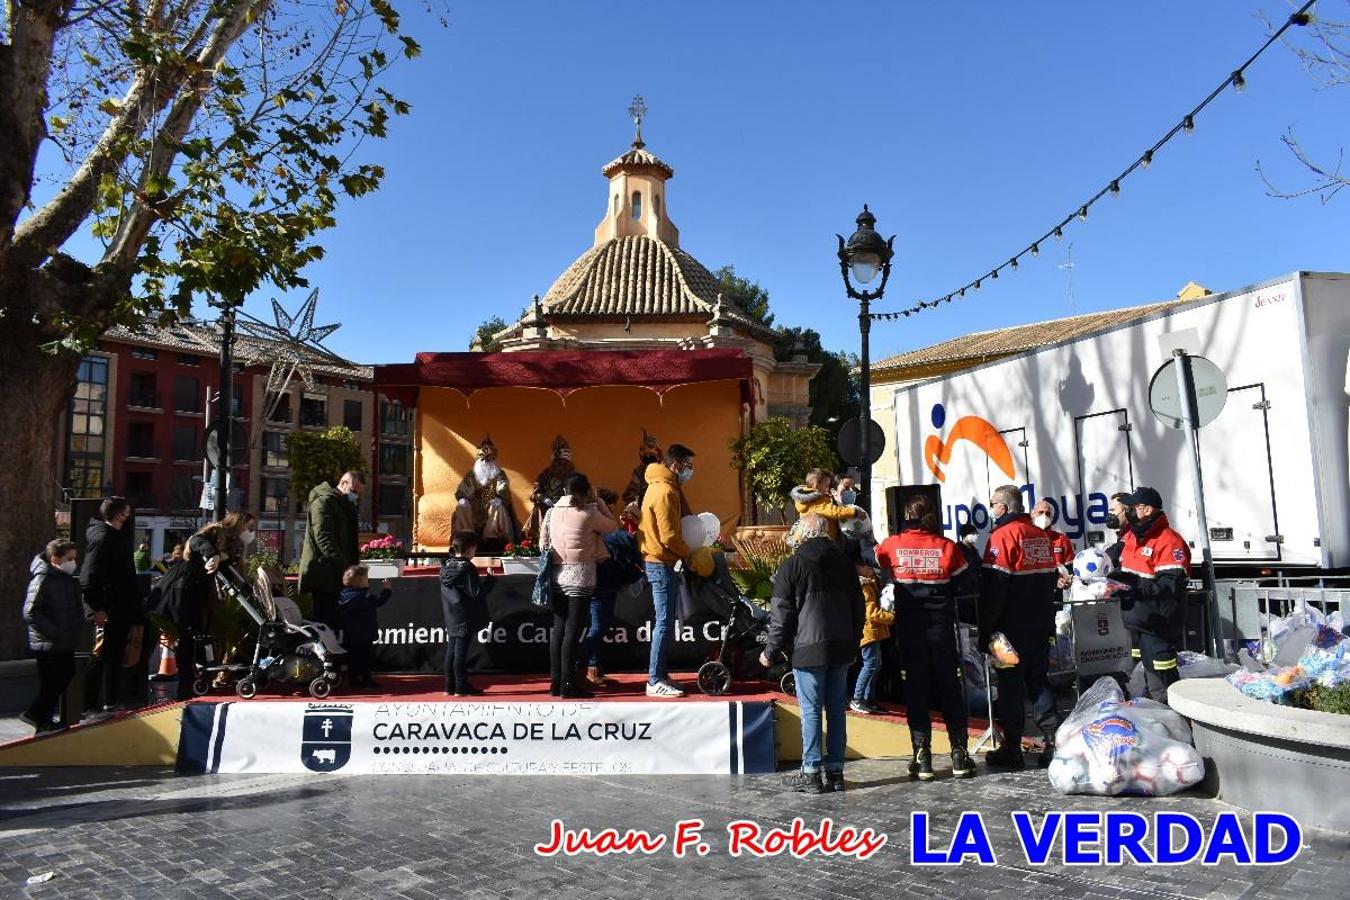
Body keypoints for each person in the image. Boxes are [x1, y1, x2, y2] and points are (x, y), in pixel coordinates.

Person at [761, 514, 865, 793]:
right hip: (841, 646)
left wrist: (770, 651)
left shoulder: (792, 565)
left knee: (810, 710)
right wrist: (854, 643)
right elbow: (859, 608)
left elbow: (781, 615)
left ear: (803, 533)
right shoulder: (845, 564)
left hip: (808, 648)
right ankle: (836, 772)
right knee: (836, 709)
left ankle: (811, 772)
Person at [877, 496, 976, 780]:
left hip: (910, 633)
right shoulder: (947, 547)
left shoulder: (893, 545)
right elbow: (966, 584)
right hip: (942, 631)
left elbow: (877, 558)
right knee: (950, 690)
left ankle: (923, 759)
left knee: (916, 692)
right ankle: (959, 756)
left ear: (906, 515)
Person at [979, 484, 1061, 770]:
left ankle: (1012, 747)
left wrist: (985, 629)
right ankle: (1052, 743)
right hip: (1040, 625)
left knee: (1010, 686)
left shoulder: (1002, 537)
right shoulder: (1041, 537)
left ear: (1003, 507)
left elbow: (994, 589)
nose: (992, 510)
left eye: (993, 505)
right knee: (1039, 682)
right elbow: (1051, 580)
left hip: (1008, 632)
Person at [540, 473, 617, 698]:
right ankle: (568, 683)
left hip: (556, 574)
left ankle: (555, 683)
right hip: (581, 575)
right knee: (573, 631)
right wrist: (601, 503)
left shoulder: (551, 512)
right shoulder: (589, 512)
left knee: (558, 630)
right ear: (585, 491)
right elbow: (612, 527)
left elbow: (543, 543)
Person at [1115, 487, 1191, 703]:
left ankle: (1178, 728)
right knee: (1141, 682)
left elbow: (1169, 586)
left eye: (1132, 507)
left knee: (1162, 686)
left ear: (1147, 510)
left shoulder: (1169, 541)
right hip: (1136, 622)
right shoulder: (1133, 536)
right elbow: (1125, 569)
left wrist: (1134, 588)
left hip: (1158, 625)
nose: (1128, 511)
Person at [174, 512, 258, 700]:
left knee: (203, 637)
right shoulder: (218, 531)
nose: (251, 532)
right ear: (239, 524)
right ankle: (185, 687)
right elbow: (196, 541)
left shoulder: (235, 545)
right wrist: (214, 555)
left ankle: (202, 679)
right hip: (187, 590)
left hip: (203, 593)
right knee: (188, 638)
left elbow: (229, 570)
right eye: (249, 527)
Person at [638, 442, 696, 698]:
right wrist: (689, 551)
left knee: (665, 622)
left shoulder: (659, 487)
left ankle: (659, 673)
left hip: (660, 561)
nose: (690, 472)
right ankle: (654, 679)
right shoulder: (665, 492)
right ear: (676, 464)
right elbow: (669, 536)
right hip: (661, 562)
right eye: (688, 466)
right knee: (663, 623)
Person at [80, 496, 141, 712]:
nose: (129, 515)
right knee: (102, 655)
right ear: (118, 514)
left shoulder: (117, 537)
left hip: (119, 606)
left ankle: (110, 700)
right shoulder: (103, 539)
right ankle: (89, 704)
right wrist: (97, 607)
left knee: (114, 655)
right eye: (126, 511)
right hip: (108, 608)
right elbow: (90, 576)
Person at [22, 540, 83, 733]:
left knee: (63, 675)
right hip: (48, 642)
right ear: (55, 559)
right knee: (52, 680)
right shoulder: (43, 579)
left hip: (63, 640)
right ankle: (38, 716)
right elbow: (30, 612)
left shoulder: (66, 580)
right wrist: (53, 631)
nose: (73, 562)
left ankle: (42, 718)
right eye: (69, 558)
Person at [583, 493, 644, 688]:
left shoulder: (597, 526)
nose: (612, 512)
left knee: (599, 626)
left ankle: (594, 669)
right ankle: (580, 665)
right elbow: (623, 540)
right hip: (601, 584)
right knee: (598, 627)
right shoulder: (600, 529)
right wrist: (634, 527)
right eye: (609, 507)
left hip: (602, 583)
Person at [299, 470, 362, 629]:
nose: (356, 496)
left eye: (359, 493)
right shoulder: (323, 501)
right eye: (354, 491)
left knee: (334, 624)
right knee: (326, 623)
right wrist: (346, 566)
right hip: (324, 576)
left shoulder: (342, 504)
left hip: (335, 576)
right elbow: (324, 538)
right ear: (343, 483)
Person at [440, 531, 494, 696]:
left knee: (451, 650)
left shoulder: (445, 566)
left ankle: (449, 686)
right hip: (465, 614)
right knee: (460, 652)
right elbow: (476, 593)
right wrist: (490, 580)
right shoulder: (468, 568)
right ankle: (461, 686)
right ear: (470, 550)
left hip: (450, 613)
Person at [452, 435, 517, 549]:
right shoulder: (471, 475)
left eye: (489, 459)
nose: (486, 462)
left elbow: (503, 486)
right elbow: (463, 489)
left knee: (498, 507)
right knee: (462, 507)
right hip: (473, 504)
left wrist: (500, 497)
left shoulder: (499, 474)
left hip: (492, 502)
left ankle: (491, 539)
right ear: (478, 460)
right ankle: (465, 536)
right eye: (483, 459)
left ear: (494, 459)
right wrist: (463, 498)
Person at [849, 544, 890, 715]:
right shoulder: (864, 587)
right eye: (868, 566)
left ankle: (868, 698)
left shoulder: (871, 583)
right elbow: (871, 613)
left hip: (874, 631)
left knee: (875, 664)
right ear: (859, 568)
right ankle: (858, 698)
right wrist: (892, 617)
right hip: (868, 632)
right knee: (870, 665)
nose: (872, 569)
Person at [339, 565, 391, 688]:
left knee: (352, 657)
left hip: (349, 633)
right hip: (364, 633)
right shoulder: (364, 596)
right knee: (365, 658)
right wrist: (387, 589)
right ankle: (366, 679)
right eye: (367, 578)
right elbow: (379, 600)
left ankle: (352, 679)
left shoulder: (343, 595)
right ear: (361, 582)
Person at [789, 468, 859, 541]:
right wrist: (854, 512)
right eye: (826, 486)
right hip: (821, 539)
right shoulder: (816, 501)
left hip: (811, 538)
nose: (827, 488)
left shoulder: (809, 499)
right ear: (816, 485)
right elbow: (834, 512)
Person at [622, 428, 663, 509]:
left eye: (652, 449)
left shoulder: (665, 470)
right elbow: (629, 495)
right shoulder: (639, 471)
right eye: (645, 451)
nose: (649, 453)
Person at [1103, 491, 1135, 571]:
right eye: (1110, 511)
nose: (1110, 515)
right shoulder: (1123, 534)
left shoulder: (1133, 535)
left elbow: (1112, 555)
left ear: (1128, 512)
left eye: (1113, 510)